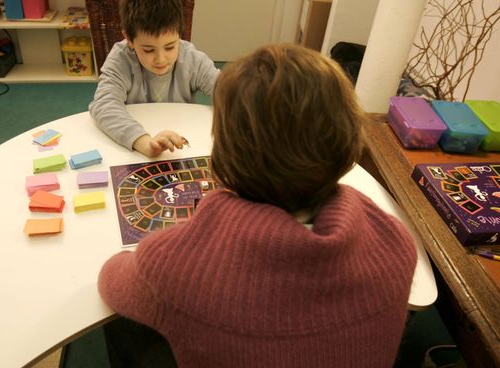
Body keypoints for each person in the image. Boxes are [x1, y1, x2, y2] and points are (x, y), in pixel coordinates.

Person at [98, 44, 417, 367]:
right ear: (348, 139)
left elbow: (112, 280)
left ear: (224, 152)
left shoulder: (175, 267)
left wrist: (189, 235)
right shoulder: (397, 241)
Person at [89, 0, 220, 157]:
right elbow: (104, 105)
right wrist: (144, 143)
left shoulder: (191, 58)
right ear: (129, 39)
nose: (160, 59)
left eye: (170, 47)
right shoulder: (120, 59)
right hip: (133, 146)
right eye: (148, 50)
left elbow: (226, 90)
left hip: (181, 144)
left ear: (179, 35)